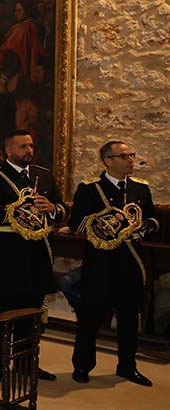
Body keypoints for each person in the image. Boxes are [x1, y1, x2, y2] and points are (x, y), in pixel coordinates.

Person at [69, 141, 157, 387]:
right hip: (100, 262)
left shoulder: (141, 189)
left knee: (130, 318)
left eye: (132, 154)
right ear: (108, 161)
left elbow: (151, 218)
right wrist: (109, 225)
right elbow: (77, 223)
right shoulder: (90, 189)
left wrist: (147, 226)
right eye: (124, 156)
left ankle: (127, 367)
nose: (131, 160)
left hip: (130, 261)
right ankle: (82, 366)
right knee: (90, 317)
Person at [0, 130, 64, 381]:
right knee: (2, 315)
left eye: (30, 145)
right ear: (9, 151)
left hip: (36, 256)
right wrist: (21, 210)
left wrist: (52, 209)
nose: (29, 150)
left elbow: (60, 209)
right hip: (7, 257)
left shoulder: (44, 175)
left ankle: (26, 363)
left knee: (31, 315)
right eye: (22, 146)